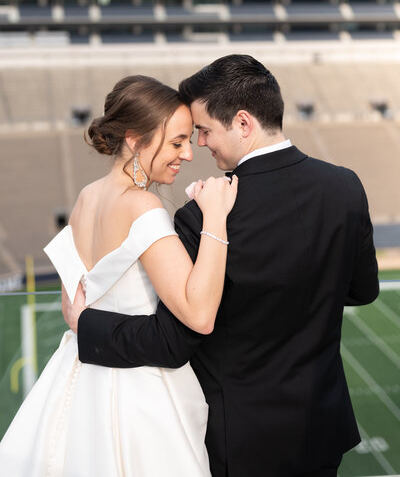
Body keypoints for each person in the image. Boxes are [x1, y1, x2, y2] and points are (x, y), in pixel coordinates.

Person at [67, 55, 379, 477]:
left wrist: (86, 325)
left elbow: (174, 341)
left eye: (204, 131)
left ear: (244, 123)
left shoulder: (202, 215)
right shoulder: (345, 185)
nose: (199, 146)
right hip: (322, 426)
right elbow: (362, 290)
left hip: (240, 438)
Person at [0, 74, 238, 477]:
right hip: (143, 393)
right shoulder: (142, 207)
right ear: (135, 138)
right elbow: (200, 314)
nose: (187, 153)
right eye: (176, 142)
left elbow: (72, 307)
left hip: (82, 379)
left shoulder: (85, 197)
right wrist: (215, 217)